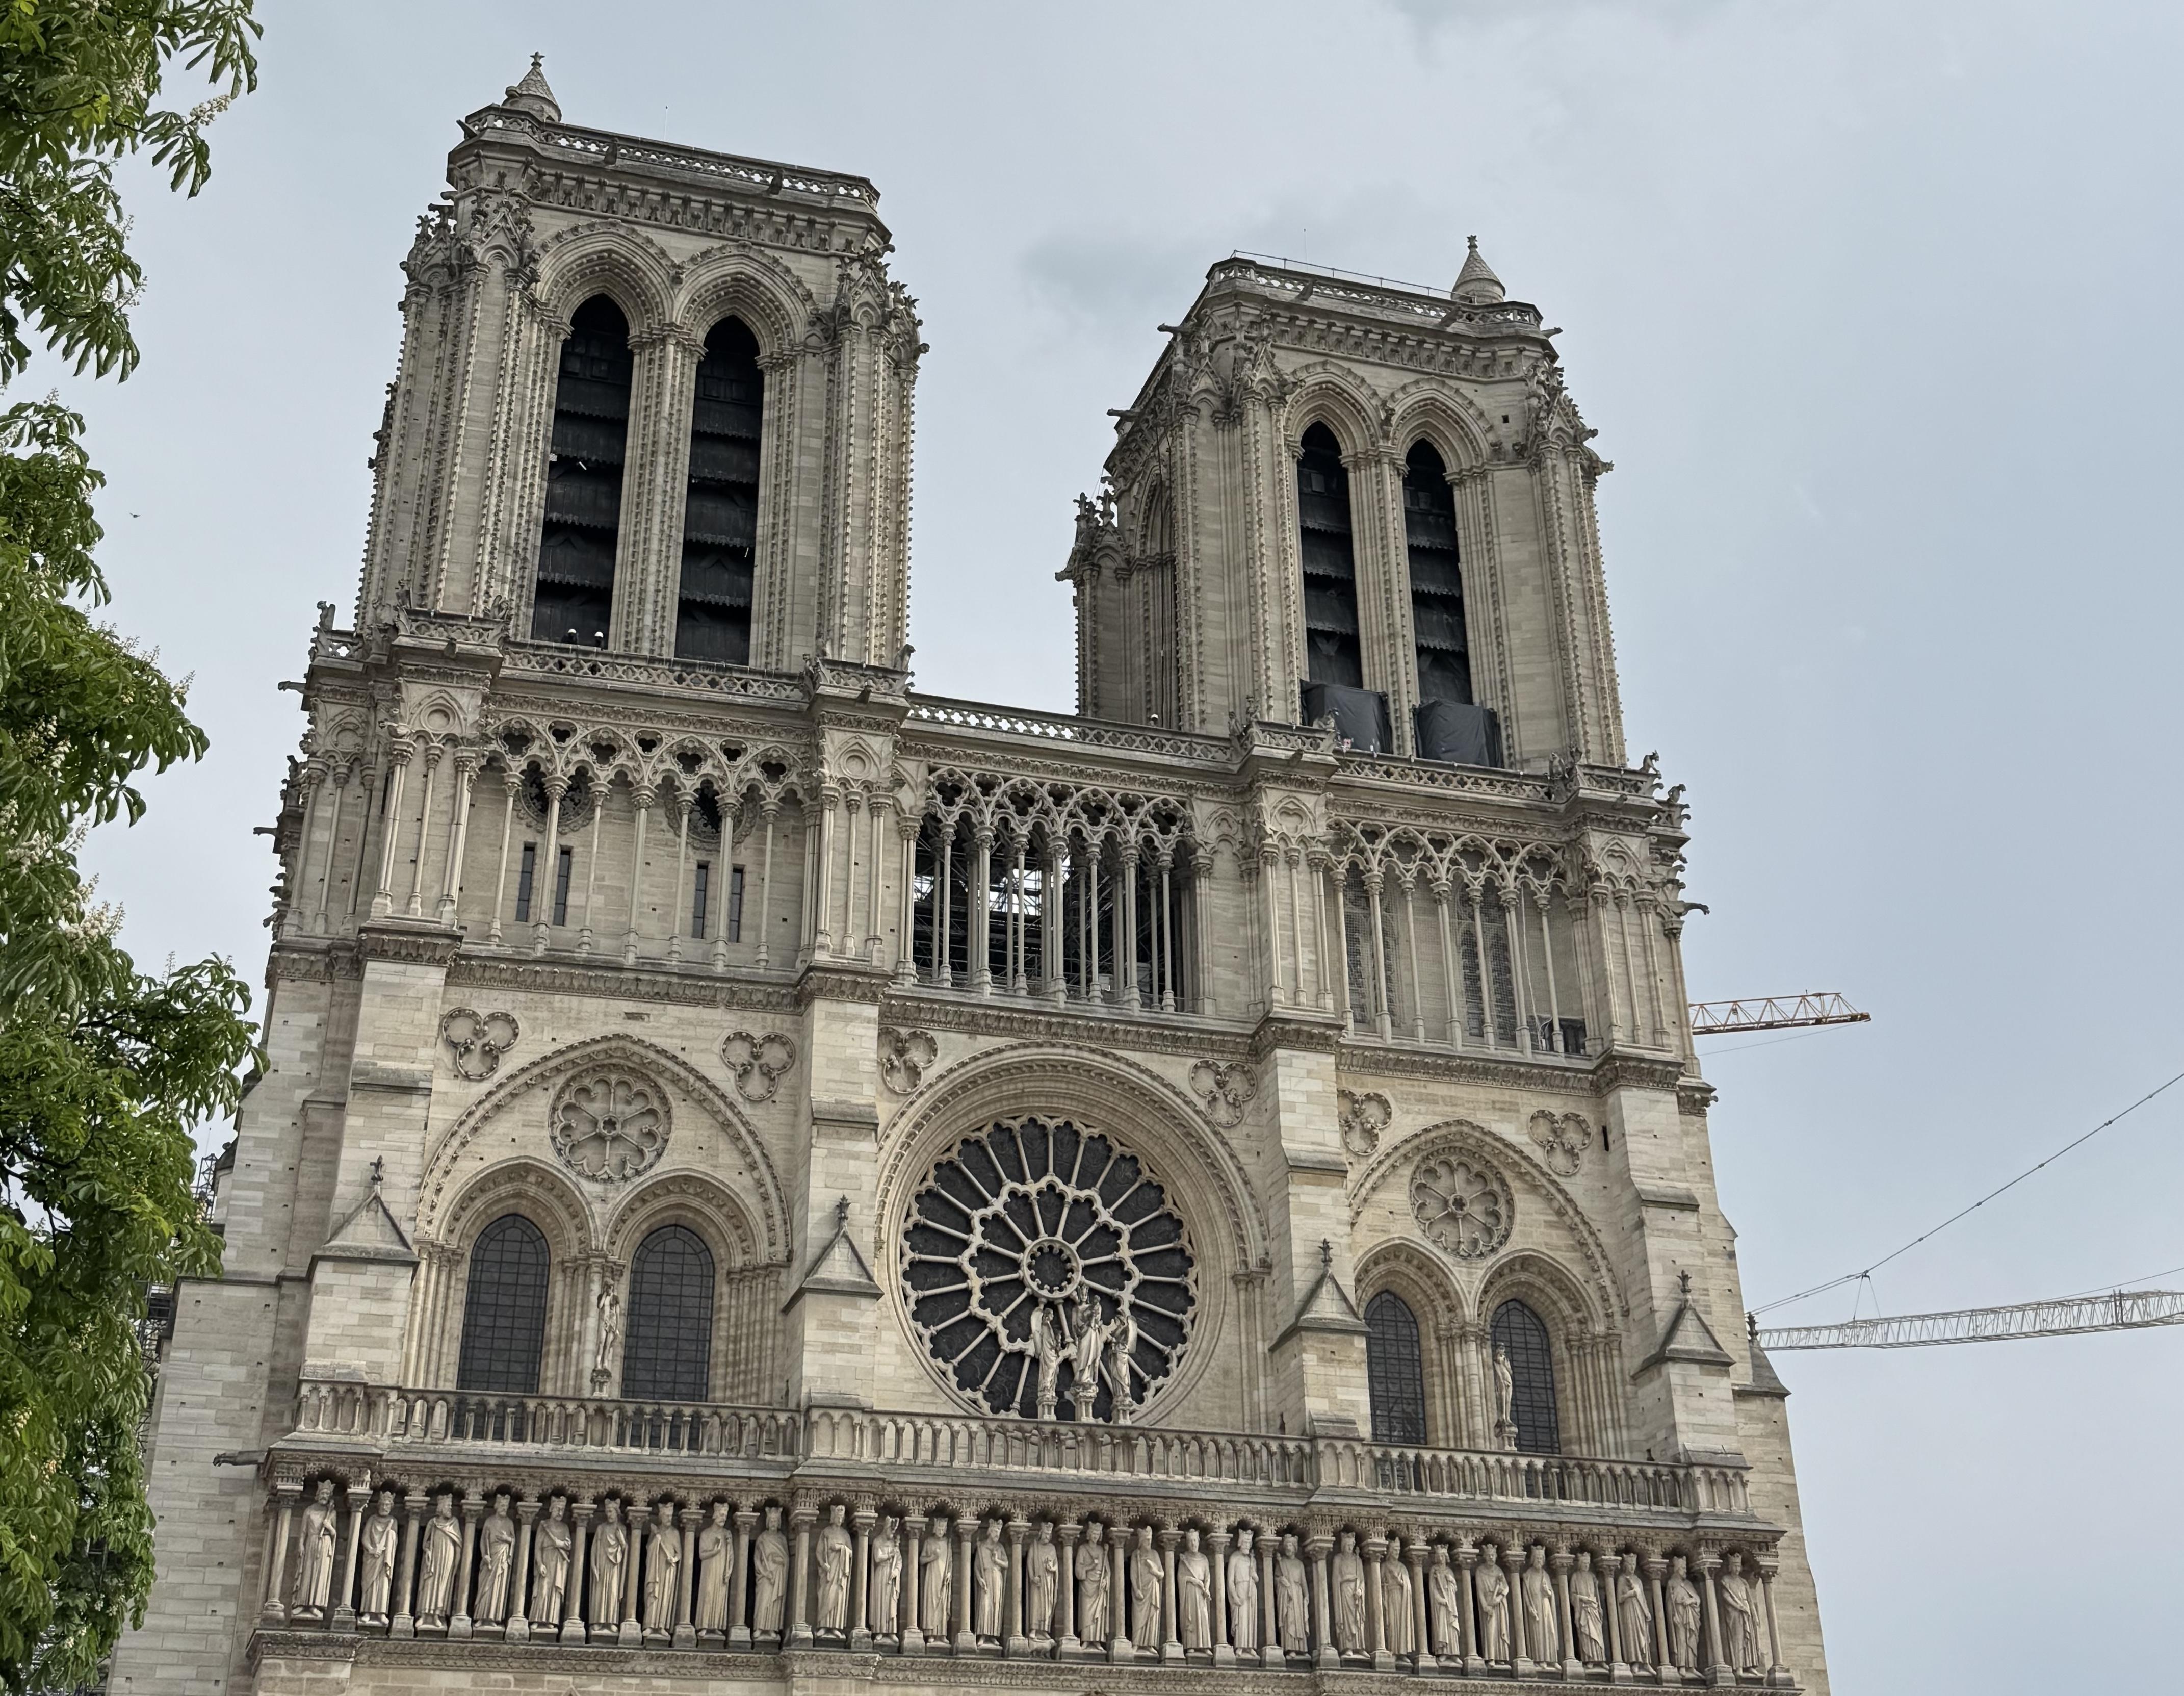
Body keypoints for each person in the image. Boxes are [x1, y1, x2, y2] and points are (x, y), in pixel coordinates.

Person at [291, 1480, 339, 1618]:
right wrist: (301, 1544)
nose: (325, 1496)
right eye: (323, 1493)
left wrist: (329, 1527)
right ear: (318, 1495)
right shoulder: (309, 1510)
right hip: (311, 1542)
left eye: (327, 1494)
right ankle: (302, 1603)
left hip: (325, 1544)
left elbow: (335, 1534)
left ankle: (315, 1605)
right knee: (307, 1573)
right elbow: (303, 1532)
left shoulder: (332, 1513)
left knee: (320, 1575)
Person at [415, 1492, 462, 1627]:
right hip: (434, 1558)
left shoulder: (454, 1523)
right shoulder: (433, 1523)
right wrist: (428, 1550)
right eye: (448, 1506)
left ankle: (437, 1615)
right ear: (441, 1507)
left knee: (443, 1585)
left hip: (448, 1557)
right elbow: (425, 1543)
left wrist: (456, 1564)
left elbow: (459, 1543)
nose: (450, 1509)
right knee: (430, 1583)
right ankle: (425, 1615)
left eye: (451, 1506)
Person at [358, 1488, 399, 1625]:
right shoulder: (372, 1519)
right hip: (372, 1558)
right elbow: (365, 1538)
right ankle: (367, 1611)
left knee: (384, 1584)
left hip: (384, 1559)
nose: (385, 1507)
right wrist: (371, 1550)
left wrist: (389, 1539)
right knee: (369, 1585)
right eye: (383, 1504)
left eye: (388, 1505)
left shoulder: (393, 1522)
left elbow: (395, 1541)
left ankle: (381, 1613)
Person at [474, 1494, 517, 1624]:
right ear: (497, 1506)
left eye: (506, 1506)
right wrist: (485, 1555)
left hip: (502, 1558)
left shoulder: (509, 1523)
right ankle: (481, 1617)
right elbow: (483, 1540)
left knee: (498, 1587)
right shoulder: (490, 1521)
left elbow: (513, 1540)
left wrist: (507, 1540)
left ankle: (493, 1617)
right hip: (491, 1557)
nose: (504, 1508)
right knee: (485, 1586)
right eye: (502, 1506)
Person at [589, 1498, 629, 1633]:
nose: (609, 1515)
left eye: (611, 1512)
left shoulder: (622, 1529)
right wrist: (594, 1565)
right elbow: (594, 1547)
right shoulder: (602, 1528)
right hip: (602, 1564)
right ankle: (598, 1621)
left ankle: (611, 1621)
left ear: (617, 1513)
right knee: (600, 1592)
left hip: (614, 1566)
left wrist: (622, 1541)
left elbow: (625, 1549)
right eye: (607, 1512)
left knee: (612, 1592)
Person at [642, 1499, 682, 1635]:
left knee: (665, 1596)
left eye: (671, 1516)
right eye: (666, 1516)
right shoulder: (656, 1531)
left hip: (668, 1569)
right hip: (655, 1568)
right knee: (654, 1593)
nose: (669, 1519)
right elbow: (648, 1548)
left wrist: (674, 1559)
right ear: (661, 1517)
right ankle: (650, 1625)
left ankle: (661, 1626)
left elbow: (679, 1553)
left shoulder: (675, 1533)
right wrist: (655, 1540)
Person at [694, 1502, 733, 1634]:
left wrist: (729, 1570)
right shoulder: (706, 1534)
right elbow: (702, 1554)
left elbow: (731, 1555)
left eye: (726, 1516)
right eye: (722, 1515)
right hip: (709, 1571)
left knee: (720, 1596)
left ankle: (715, 1626)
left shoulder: (727, 1534)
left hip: (722, 1571)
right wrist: (714, 1552)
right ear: (715, 1515)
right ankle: (704, 1625)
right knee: (708, 1594)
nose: (724, 1519)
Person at [815, 1504, 853, 1633]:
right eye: (838, 1517)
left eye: (842, 1518)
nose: (840, 1520)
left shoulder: (845, 1534)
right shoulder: (826, 1532)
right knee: (826, 1595)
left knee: (838, 1597)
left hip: (840, 1572)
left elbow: (851, 1553)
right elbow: (819, 1552)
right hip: (828, 1571)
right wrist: (823, 1564)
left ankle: (836, 1627)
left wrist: (841, 1548)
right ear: (833, 1517)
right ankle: (824, 1625)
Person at [751, 1505, 789, 1637]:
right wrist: (764, 1572)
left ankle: (772, 1628)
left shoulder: (782, 1539)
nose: (773, 1524)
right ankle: (760, 1627)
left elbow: (786, 1558)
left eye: (776, 1521)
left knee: (774, 1603)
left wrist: (780, 1560)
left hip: (778, 1575)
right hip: (765, 1576)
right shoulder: (762, 1538)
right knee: (763, 1600)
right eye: (771, 1521)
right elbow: (757, 1558)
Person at [1616, 1553, 1655, 1668]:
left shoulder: (1637, 1580)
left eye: (1634, 1564)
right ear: (1625, 1565)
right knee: (1632, 1633)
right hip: (1629, 1610)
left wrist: (1647, 1612)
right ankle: (1635, 1661)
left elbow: (1642, 1597)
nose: (1632, 1567)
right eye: (1630, 1564)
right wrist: (1630, 1594)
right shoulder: (1622, 1579)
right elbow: (1620, 1598)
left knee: (1642, 1634)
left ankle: (1646, 1661)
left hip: (1640, 1610)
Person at [1475, 1541, 1512, 1662]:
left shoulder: (1499, 1571)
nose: (1491, 1558)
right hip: (1488, 1603)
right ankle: (1491, 1657)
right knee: (1490, 1630)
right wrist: (1485, 1606)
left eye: (1493, 1555)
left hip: (1499, 1603)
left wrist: (1500, 1597)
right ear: (1484, 1557)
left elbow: (1506, 1588)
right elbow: (1480, 1590)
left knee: (1501, 1628)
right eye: (1489, 1555)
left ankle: (1501, 1657)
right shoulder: (1480, 1571)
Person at [1665, 1555, 1702, 1672]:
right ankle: (1681, 1665)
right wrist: (1673, 1615)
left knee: (1691, 1638)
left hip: (1690, 1615)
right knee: (1681, 1639)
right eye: (1683, 1569)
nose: (1685, 1571)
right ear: (1677, 1569)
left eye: (1686, 1569)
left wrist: (1691, 1600)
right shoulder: (1672, 1583)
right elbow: (1669, 1603)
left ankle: (1691, 1666)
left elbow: (1697, 1598)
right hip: (1679, 1615)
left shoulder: (1688, 1584)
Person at [1521, 1545, 1557, 1663]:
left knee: (1549, 1631)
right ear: (1532, 1559)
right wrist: (1530, 1607)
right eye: (1537, 1558)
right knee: (1538, 1634)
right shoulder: (1528, 1574)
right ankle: (1540, 1659)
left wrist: (1547, 1591)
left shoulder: (1545, 1575)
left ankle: (1551, 1660)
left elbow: (1551, 1594)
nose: (1539, 1560)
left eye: (1541, 1558)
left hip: (1545, 1606)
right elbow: (1526, 1593)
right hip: (1535, 1607)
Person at [1175, 1528, 1211, 1649]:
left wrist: (1206, 1589)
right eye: (1190, 1541)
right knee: (1191, 1618)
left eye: (1195, 1541)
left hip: (1201, 1594)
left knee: (1203, 1618)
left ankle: (1204, 1646)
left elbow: (1208, 1577)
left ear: (1199, 1541)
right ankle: (1190, 1646)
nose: (1193, 1544)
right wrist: (1193, 1581)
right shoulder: (1185, 1559)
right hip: (1190, 1592)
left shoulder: (1204, 1559)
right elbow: (1181, 1578)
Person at [1332, 1531, 1366, 1654]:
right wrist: (1345, 1580)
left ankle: (1359, 1646)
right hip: (1345, 1591)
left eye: (1351, 1546)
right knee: (1347, 1619)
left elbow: (1361, 1579)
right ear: (1343, 1546)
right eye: (1347, 1546)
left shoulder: (1358, 1561)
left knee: (1357, 1618)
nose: (1350, 1548)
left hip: (1355, 1591)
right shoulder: (1338, 1559)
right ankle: (1347, 1646)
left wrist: (1360, 1591)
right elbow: (1336, 1579)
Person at [1076, 1520, 1110, 1642]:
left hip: (1099, 1587)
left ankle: (1097, 1642)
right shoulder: (1083, 1549)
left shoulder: (1102, 1551)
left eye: (1098, 1534)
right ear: (1089, 1534)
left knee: (1099, 1615)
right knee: (1087, 1614)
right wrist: (1089, 1567)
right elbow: (1078, 1570)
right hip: (1087, 1585)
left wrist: (1106, 1580)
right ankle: (1086, 1640)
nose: (1096, 1537)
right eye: (1094, 1534)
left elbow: (1107, 1571)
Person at [1569, 1550, 1606, 1663]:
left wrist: (1599, 1607)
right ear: (1580, 1564)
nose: (1586, 1565)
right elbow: (1572, 1595)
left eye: (1588, 1563)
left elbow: (1597, 1594)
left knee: (1597, 1634)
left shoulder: (1592, 1576)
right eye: (1584, 1563)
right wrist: (1583, 1599)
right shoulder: (1575, 1576)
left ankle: (1600, 1660)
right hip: (1583, 1608)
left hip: (1593, 1608)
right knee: (1587, 1633)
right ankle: (1589, 1659)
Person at [972, 1519, 1008, 1638]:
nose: (997, 1535)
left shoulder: (1000, 1548)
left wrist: (997, 1560)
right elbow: (977, 1566)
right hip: (986, 1577)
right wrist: (980, 1579)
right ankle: (983, 1635)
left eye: (999, 1532)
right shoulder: (982, 1547)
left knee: (995, 1605)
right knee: (985, 1606)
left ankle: (993, 1636)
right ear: (990, 1532)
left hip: (997, 1577)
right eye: (995, 1532)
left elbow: (1006, 1564)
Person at [1276, 1533, 1310, 1656]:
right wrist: (1281, 1582)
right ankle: (1290, 1648)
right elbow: (1277, 1579)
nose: (1288, 1548)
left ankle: (1302, 1648)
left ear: (1295, 1547)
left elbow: (1304, 1582)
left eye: (1290, 1546)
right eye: (1286, 1546)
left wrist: (1306, 1596)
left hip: (1298, 1593)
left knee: (1299, 1621)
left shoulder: (1299, 1564)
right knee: (1289, 1619)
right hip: (1287, 1595)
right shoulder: (1282, 1563)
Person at [1129, 1526, 1162, 1650]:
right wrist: (1137, 1589)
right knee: (1138, 1617)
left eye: (1150, 1540)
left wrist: (1155, 1572)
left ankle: (1149, 1644)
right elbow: (1133, 1574)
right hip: (1141, 1591)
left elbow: (1162, 1574)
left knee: (1152, 1616)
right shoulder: (1136, 1554)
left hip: (1153, 1588)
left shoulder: (1155, 1554)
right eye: (1147, 1540)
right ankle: (1137, 1643)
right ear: (1141, 1541)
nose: (1149, 1542)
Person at [868, 1513, 902, 1636]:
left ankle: (891, 1631)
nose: (892, 1534)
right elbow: (877, 1558)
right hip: (881, 1574)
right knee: (881, 1601)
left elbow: (899, 1561)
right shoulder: (878, 1541)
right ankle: (880, 1630)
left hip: (891, 1576)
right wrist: (889, 1555)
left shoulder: (894, 1544)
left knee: (891, 1603)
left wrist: (896, 1571)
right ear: (886, 1529)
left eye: (894, 1532)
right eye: (891, 1531)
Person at [919, 1515, 952, 1638]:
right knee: (931, 1603)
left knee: (942, 1604)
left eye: (942, 1529)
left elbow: (950, 1562)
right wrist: (932, 1557)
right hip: (932, 1577)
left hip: (943, 1577)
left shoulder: (947, 1544)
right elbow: (922, 1560)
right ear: (935, 1529)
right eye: (938, 1528)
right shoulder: (929, 1542)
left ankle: (942, 1634)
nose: (940, 1531)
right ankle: (931, 1633)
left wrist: (949, 1572)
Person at [1226, 1528, 1259, 1653]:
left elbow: (1256, 1578)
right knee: (1241, 1618)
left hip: (1251, 1591)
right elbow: (1230, 1580)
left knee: (1250, 1619)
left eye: (1249, 1544)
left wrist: (1253, 1574)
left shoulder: (1252, 1560)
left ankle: (1250, 1646)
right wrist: (1234, 1596)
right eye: (1245, 1543)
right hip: (1240, 1589)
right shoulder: (1235, 1557)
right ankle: (1240, 1645)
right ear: (1240, 1543)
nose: (1247, 1546)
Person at [1383, 1538, 1415, 1657]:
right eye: (1395, 1550)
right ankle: (1392, 1649)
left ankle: (1401, 1652)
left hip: (1401, 1599)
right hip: (1390, 1597)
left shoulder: (1402, 1567)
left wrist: (1398, 1580)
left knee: (1401, 1624)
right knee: (1391, 1623)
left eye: (1398, 1550)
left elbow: (1407, 1585)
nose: (1397, 1553)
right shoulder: (1385, 1566)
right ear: (1390, 1551)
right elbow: (1378, 1583)